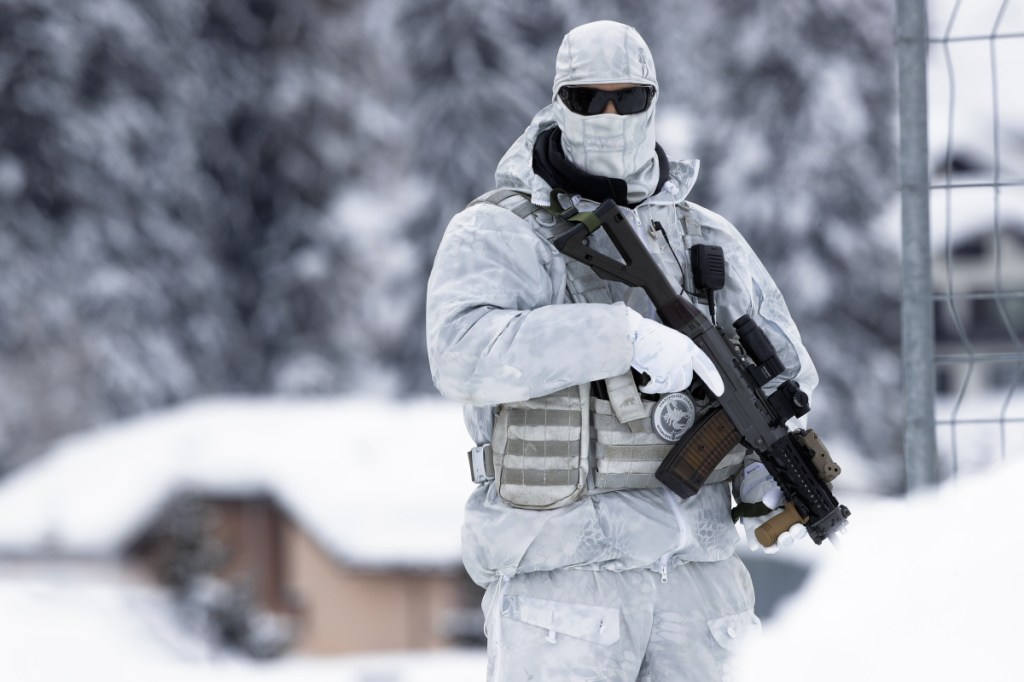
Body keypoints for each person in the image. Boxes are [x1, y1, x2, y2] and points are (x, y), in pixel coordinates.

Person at [426, 20, 816, 682]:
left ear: (652, 104)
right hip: (563, 587)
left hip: (699, 590)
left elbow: (784, 378)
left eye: (627, 99)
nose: (610, 115)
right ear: (558, 103)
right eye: (589, 99)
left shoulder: (706, 237)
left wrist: (761, 470)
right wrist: (621, 337)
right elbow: (460, 352)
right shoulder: (500, 232)